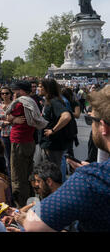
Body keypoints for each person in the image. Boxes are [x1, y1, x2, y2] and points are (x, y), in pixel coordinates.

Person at [20, 85, 110, 232]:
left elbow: (34, 225)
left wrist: (22, 217)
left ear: (103, 127)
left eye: (90, 120)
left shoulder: (90, 179)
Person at [6, 80, 47, 208]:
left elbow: (7, 116)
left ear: (22, 91)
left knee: (18, 176)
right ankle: (30, 201)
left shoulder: (19, 104)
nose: (13, 93)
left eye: (15, 90)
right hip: (29, 141)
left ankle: (21, 206)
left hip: (19, 142)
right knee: (28, 173)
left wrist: (12, 119)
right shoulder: (31, 102)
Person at [38, 79, 72, 170]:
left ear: (48, 89)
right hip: (49, 143)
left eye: (41, 87)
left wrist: (53, 130)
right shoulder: (48, 101)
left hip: (53, 145)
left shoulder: (54, 101)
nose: (38, 88)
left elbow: (66, 116)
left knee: (52, 172)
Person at [0, 86, 13, 176]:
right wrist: (7, 122)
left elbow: (17, 119)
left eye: (7, 93)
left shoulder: (14, 105)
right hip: (4, 135)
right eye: (2, 93)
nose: (5, 95)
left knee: (14, 157)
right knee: (7, 157)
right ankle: (9, 176)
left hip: (14, 134)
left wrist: (6, 123)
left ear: (10, 94)